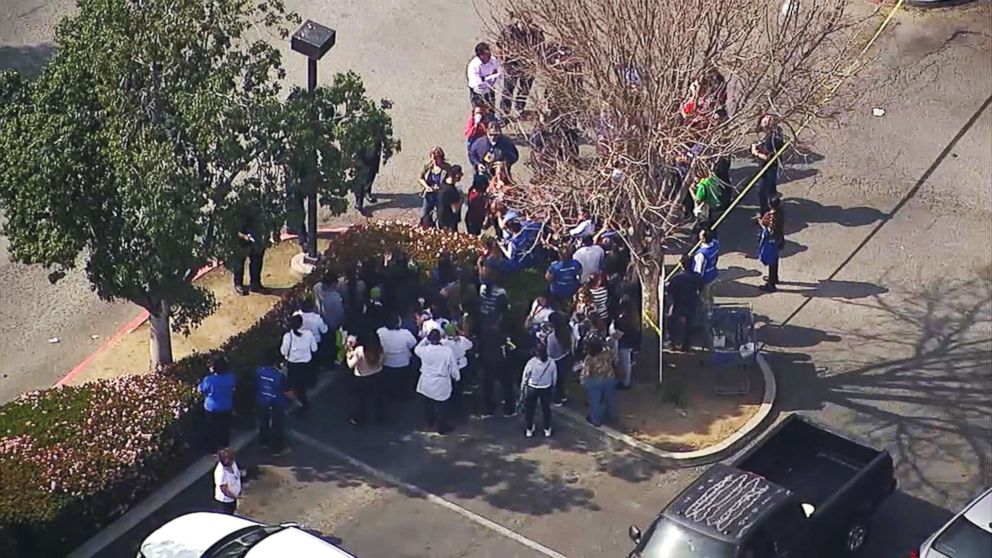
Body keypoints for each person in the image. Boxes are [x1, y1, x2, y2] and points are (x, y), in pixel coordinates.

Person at [498, 11, 544, 116]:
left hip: (529, 66)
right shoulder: (509, 31)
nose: (526, 26)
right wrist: (504, 58)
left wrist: (537, 60)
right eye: (524, 23)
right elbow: (499, 45)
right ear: (518, 21)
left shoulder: (536, 32)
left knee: (525, 89)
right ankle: (504, 111)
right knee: (508, 89)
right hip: (512, 65)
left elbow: (541, 47)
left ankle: (519, 108)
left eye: (528, 23)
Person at [414, 329, 460, 434]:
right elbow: (453, 367)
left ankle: (430, 424)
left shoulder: (423, 350)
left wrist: (426, 339)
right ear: (440, 338)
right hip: (441, 382)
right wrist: (456, 377)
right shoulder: (447, 351)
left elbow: (417, 347)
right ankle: (441, 428)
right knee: (442, 407)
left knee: (428, 405)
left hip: (426, 381)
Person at [281, 314, 318, 415]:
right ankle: (302, 403)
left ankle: (301, 404)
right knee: (301, 386)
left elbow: (283, 352)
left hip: (293, 365)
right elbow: (314, 348)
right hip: (306, 365)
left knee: (291, 385)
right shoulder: (309, 334)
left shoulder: (288, 337)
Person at [256, 348, 290, 453]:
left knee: (263, 421)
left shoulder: (258, 372)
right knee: (277, 425)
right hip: (277, 402)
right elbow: (285, 389)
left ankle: (263, 442)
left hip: (262, 400)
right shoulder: (278, 375)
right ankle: (277, 449)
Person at [346, 333, 385, 425]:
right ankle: (380, 417)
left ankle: (359, 419)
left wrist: (348, 355)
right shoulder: (379, 348)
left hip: (362, 377)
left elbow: (350, 365)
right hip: (377, 375)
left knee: (361, 400)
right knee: (377, 398)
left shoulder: (360, 351)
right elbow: (383, 360)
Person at [377, 315, 418, 402]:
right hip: (403, 363)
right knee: (403, 383)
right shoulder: (405, 333)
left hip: (386, 363)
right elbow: (413, 344)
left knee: (389, 383)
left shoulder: (380, 332)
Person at [751, 114, 786, 215]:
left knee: (764, 192)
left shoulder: (772, 138)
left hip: (769, 167)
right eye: (765, 119)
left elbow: (768, 158)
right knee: (770, 190)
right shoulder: (777, 131)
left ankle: (767, 214)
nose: (768, 119)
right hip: (772, 167)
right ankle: (772, 211)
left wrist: (755, 152)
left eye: (769, 119)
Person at [199, 355, 236, 452]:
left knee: (212, 429)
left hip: (212, 409)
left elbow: (201, 389)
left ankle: (213, 449)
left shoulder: (208, 380)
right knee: (225, 428)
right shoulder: (230, 378)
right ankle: (225, 446)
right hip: (226, 407)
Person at [227, 208, 268, 296]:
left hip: (255, 226)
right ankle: (238, 283)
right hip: (240, 226)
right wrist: (242, 235)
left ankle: (255, 283)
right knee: (239, 258)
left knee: (257, 256)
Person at [666, 258, 703, 352]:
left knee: (671, 322)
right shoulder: (697, 277)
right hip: (692, 303)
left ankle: (672, 342)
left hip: (678, 303)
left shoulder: (677, 277)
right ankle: (686, 345)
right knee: (689, 326)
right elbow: (701, 288)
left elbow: (670, 291)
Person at [581, 335, 619, 427]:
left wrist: (583, 381)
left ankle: (596, 420)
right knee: (611, 398)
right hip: (609, 378)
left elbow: (586, 373)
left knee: (595, 400)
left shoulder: (589, 358)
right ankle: (612, 417)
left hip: (595, 380)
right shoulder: (608, 351)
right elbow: (616, 361)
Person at [520, 343, 557, 438]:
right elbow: (554, 377)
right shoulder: (551, 362)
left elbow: (525, 376)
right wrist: (553, 385)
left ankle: (529, 429)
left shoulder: (531, 362)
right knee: (546, 409)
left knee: (530, 409)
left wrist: (522, 387)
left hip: (532, 387)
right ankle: (547, 429)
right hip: (546, 387)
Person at [442, 322, 474, 409]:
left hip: (450, 367)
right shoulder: (462, 340)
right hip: (462, 365)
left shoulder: (443, 343)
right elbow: (470, 345)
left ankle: (453, 401)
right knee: (461, 384)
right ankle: (460, 400)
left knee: (452, 385)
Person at [612, 295, 640, 389]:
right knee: (626, 363)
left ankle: (626, 383)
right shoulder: (634, 316)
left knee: (625, 364)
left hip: (625, 343)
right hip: (629, 342)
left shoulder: (625, 319)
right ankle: (625, 381)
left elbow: (618, 334)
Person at [418, 147, 451, 227]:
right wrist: (426, 186)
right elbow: (420, 177)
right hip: (429, 195)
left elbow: (450, 181)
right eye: (433, 159)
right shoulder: (428, 166)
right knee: (424, 215)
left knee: (440, 217)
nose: (435, 161)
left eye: (437, 159)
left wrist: (441, 188)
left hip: (440, 196)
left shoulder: (447, 168)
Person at [548, 312, 576, 406]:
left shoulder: (552, 337)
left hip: (556, 360)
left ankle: (557, 399)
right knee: (562, 379)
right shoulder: (568, 330)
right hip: (566, 357)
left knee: (557, 380)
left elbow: (550, 353)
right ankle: (562, 395)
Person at [691, 228, 720, 315]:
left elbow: (698, 272)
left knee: (704, 299)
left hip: (706, 279)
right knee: (710, 296)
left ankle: (706, 315)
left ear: (703, 239)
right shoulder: (715, 244)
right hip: (714, 275)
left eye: (701, 234)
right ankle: (711, 308)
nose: (699, 234)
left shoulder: (701, 254)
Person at [467, 41, 502, 108]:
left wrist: (492, 80)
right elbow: (477, 83)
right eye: (486, 54)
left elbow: (498, 72)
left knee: (491, 110)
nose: (489, 56)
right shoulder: (474, 65)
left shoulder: (492, 60)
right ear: (481, 55)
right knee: (479, 111)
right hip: (478, 92)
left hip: (490, 89)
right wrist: (489, 77)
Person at [757, 207, 781, 293]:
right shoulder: (780, 213)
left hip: (771, 244)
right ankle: (774, 278)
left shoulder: (772, 217)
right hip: (778, 241)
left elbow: (769, 231)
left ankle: (771, 285)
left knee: (771, 262)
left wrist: (762, 225)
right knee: (775, 260)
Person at [213, 447, 242, 514]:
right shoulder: (221, 473)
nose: (233, 460)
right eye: (231, 459)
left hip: (234, 496)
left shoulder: (232, 463)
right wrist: (235, 497)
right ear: (226, 460)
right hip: (226, 500)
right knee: (228, 513)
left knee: (233, 509)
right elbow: (224, 490)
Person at [437, 165, 464, 232]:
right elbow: (455, 209)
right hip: (450, 221)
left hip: (440, 216)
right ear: (456, 176)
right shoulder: (452, 191)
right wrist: (461, 199)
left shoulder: (443, 185)